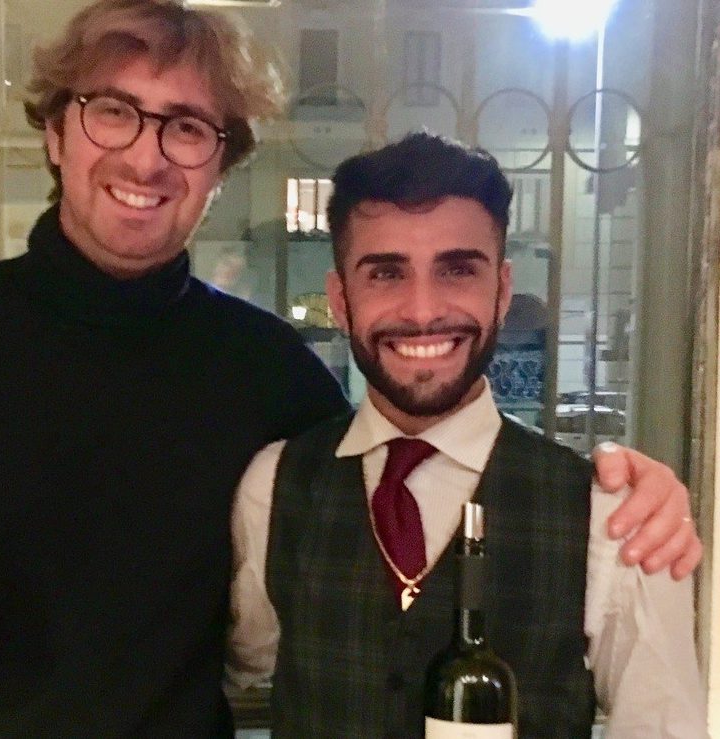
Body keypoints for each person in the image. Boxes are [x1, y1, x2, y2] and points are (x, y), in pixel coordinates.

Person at [0, 1, 699, 735]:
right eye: (113, 111)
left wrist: (619, 490)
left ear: (218, 166)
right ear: (56, 132)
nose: (147, 156)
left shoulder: (267, 370)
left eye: (188, 127)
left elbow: (407, 466)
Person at [226, 132, 708, 738]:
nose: (423, 311)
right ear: (340, 301)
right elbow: (223, 667)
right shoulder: (273, 486)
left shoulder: (613, 515)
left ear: (501, 292)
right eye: (386, 273)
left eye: (457, 270)